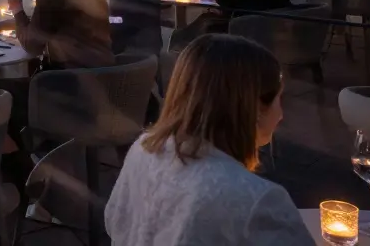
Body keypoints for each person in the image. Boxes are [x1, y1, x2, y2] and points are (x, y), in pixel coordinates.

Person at [105, 34, 309, 245]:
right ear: (255, 107)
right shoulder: (258, 202)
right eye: (279, 99)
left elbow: (115, 222)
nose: (282, 114)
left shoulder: (143, 149)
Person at [0, 0, 113, 194]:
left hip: (68, 89)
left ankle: (26, 180)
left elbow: (32, 44)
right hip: (99, 81)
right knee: (9, 94)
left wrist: (17, 10)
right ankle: (41, 165)